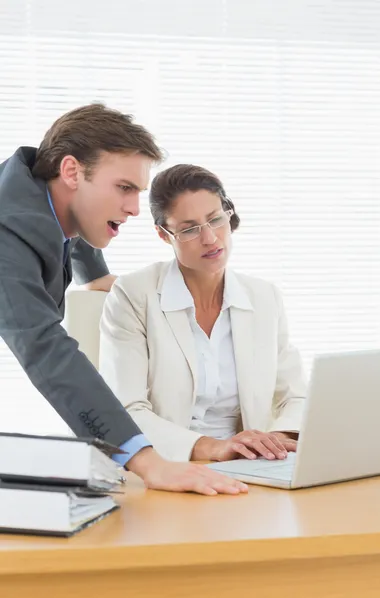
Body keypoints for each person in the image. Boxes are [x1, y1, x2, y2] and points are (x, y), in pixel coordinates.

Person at [0, 104, 247, 496]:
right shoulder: (6, 237)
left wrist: (93, 273)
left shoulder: (34, 191)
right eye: (124, 188)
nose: (134, 208)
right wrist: (149, 463)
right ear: (70, 171)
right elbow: (44, 349)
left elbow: (68, 219)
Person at [99, 164, 307, 463]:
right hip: (167, 463)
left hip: (249, 464)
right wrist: (214, 447)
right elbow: (126, 409)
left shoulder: (263, 297)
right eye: (189, 229)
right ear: (163, 234)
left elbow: (295, 396)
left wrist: (275, 441)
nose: (210, 238)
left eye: (216, 220)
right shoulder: (134, 295)